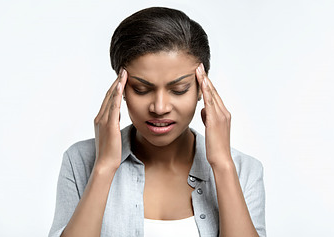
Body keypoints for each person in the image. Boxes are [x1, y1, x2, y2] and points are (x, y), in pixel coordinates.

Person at [49, 7, 266, 237]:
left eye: (179, 90)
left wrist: (222, 165)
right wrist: (103, 168)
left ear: (202, 89)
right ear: (120, 89)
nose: (159, 108)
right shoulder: (80, 161)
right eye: (141, 89)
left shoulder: (243, 171)